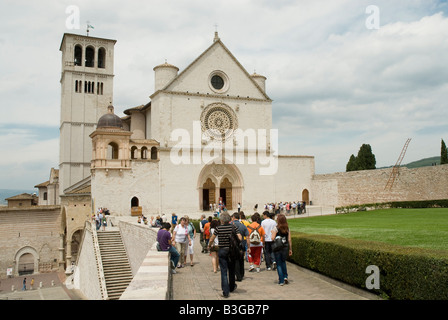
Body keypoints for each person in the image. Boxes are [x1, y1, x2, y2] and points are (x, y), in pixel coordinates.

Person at [208, 212, 242, 298]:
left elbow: (212, 238)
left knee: (223, 271)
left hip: (222, 250)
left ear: (222, 220)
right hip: (232, 251)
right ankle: (231, 286)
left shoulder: (218, 228)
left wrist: (209, 245)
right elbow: (240, 238)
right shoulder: (233, 227)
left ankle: (225, 291)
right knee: (231, 270)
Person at [271, 214, 293, 285]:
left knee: (278, 264)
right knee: (283, 262)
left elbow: (272, 238)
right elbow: (289, 239)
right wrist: (290, 249)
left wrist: (272, 233)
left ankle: (281, 280)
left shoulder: (276, 228)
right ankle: (285, 276)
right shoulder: (287, 228)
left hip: (278, 247)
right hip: (285, 247)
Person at [231, 212, 250, 281]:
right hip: (241, 245)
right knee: (241, 260)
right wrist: (248, 247)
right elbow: (247, 237)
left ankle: (238, 275)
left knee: (235, 261)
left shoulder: (230, 225)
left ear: (233, 217)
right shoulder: (243, 226)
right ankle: (241, 274)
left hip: (232, 246)